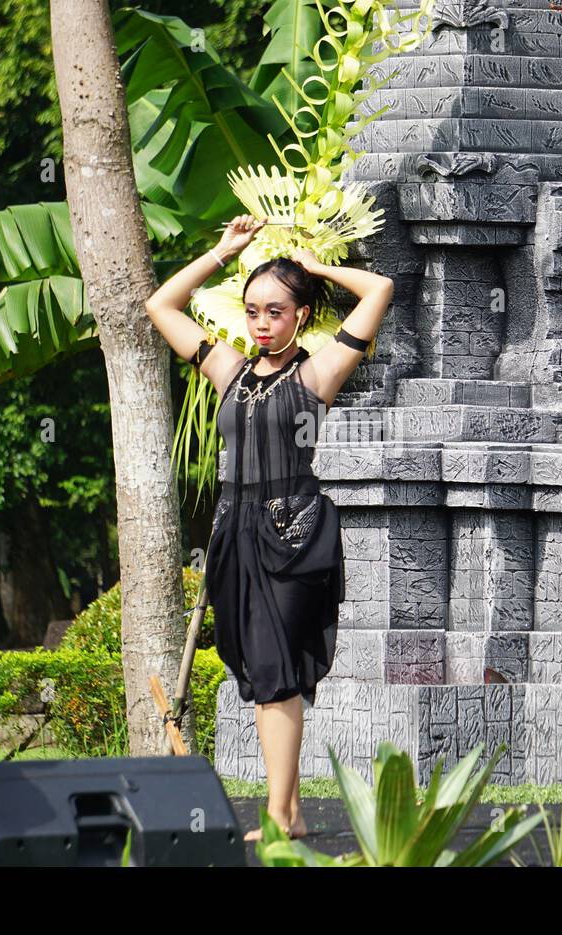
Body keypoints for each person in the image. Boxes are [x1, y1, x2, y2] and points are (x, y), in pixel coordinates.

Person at [146, 214, 393, 841]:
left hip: (294, 531)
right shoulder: (226, 369)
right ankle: (292, 809)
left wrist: (313, 268)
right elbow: (160, 305)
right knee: (259, 673)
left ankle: (280, 815)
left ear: (301, 316)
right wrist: (223, 253)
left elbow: (379, 290)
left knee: (277, 670)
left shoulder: (319, 373)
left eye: (276, 311)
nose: (260, 322)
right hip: (236, 532)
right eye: (253, 310)